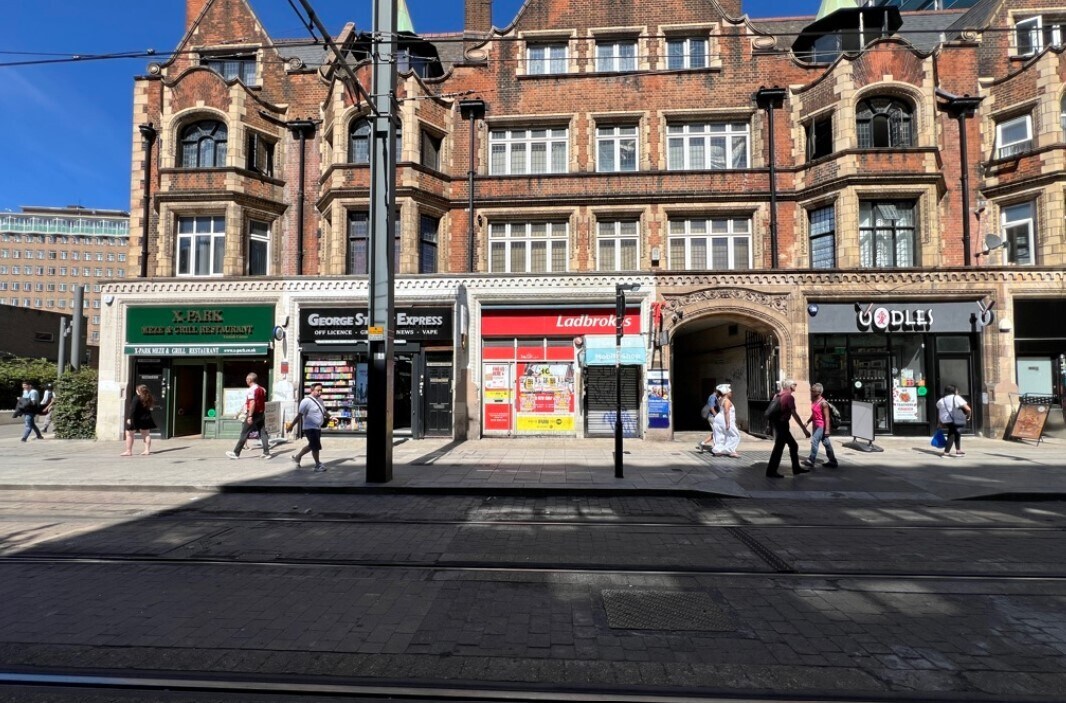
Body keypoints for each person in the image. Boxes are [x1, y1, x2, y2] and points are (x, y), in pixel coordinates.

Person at [765, 379, 811, 478]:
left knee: (792, 446)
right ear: (790, 386)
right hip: (783, 424)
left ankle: (795, 468)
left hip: (777, 424)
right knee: (780, 448)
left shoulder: (777, 395)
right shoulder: (789, 397)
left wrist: (769, 425)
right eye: (795, 384)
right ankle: (772, 471)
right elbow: (794, 414)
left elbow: (771, 412)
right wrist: (804, 429)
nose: (796, 385)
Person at [227, 372, 271, 460]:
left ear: (250, 380)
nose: (246, 381)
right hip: (261, 413)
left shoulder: (251, 390)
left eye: (247, 379)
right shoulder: (261, 389)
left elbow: (252, 402)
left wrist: (250, 416)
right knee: (263, 433)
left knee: (244, 433)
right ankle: (266, 453)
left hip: (253, 414)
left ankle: (236, 453)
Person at [291, 383, 329, 472]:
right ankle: (317, 465)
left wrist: (331, 417)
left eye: (321, 390)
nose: (320, 392)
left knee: (312, 445)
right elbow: (299, 415)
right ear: (311, 390)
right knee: (315, 446)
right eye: (318, 390)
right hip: (309, 428)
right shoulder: (306, 401)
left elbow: (324, 412)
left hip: (317, 427)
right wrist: (291, 426)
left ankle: (297, 457)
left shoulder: (320, 400)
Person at [803, 383, 838, 468]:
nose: (811, 392)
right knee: (826, 443)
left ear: (818, 392)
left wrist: (827, 430)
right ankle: (832, 461)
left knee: (814, 440)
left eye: (813, 391)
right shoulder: (815, 401)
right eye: (811, 391)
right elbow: (814, 414)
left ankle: (811, 460)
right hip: (816, 425)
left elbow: (827, 418)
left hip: (821, 426)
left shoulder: (824, 403)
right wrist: (808, 421)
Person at [936, 384, 971, 457]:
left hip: (945, 419)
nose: (957, 391)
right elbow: (968, 409)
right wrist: (968, 416)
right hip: (954, 419)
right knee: (952, 434)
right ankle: (946, 452)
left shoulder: (941, 400)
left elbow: (940, 411)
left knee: (956, 432)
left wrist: (939, 422)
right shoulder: (956, 397)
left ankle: (958, 450)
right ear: (954, 390)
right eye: (956, 390)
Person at [122, 384, 157, 456]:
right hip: (145, 418)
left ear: (138, 391)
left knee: (129, 434)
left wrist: (129, 418)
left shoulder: (136, 398)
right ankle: (147, 450)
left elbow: (133, 409)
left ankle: (129, 451)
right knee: (146, 434)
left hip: (136, 418)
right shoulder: (148, 398)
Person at [710, 384, 741, 458]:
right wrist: (728, 423)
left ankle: (718, 450)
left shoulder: (720, 399)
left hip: (719, 418)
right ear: (726, 393)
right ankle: (730, 450)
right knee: (735, 435)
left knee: (720, 435)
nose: (731, 393)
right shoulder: (727, 401)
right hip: (724, 419)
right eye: (730, 392)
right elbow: (726, 412)